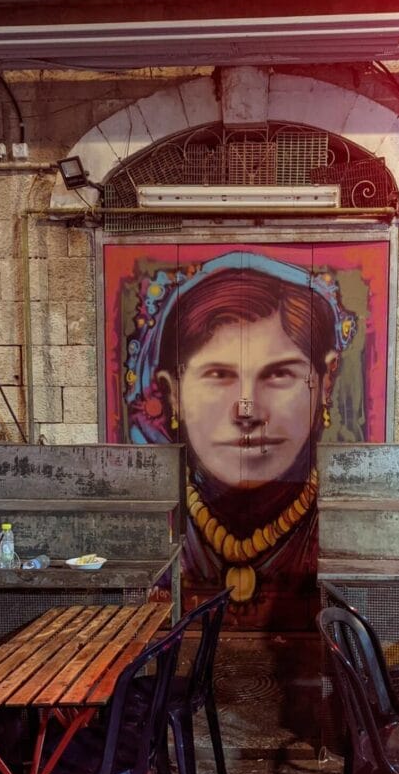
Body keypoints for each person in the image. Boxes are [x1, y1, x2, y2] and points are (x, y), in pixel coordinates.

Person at [123, 251, 358, 629]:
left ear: (324, 383)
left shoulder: (342, 527)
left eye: (279, 374)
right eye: (218, 375)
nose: (246, 410)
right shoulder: (148, 527)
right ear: (172, 392)